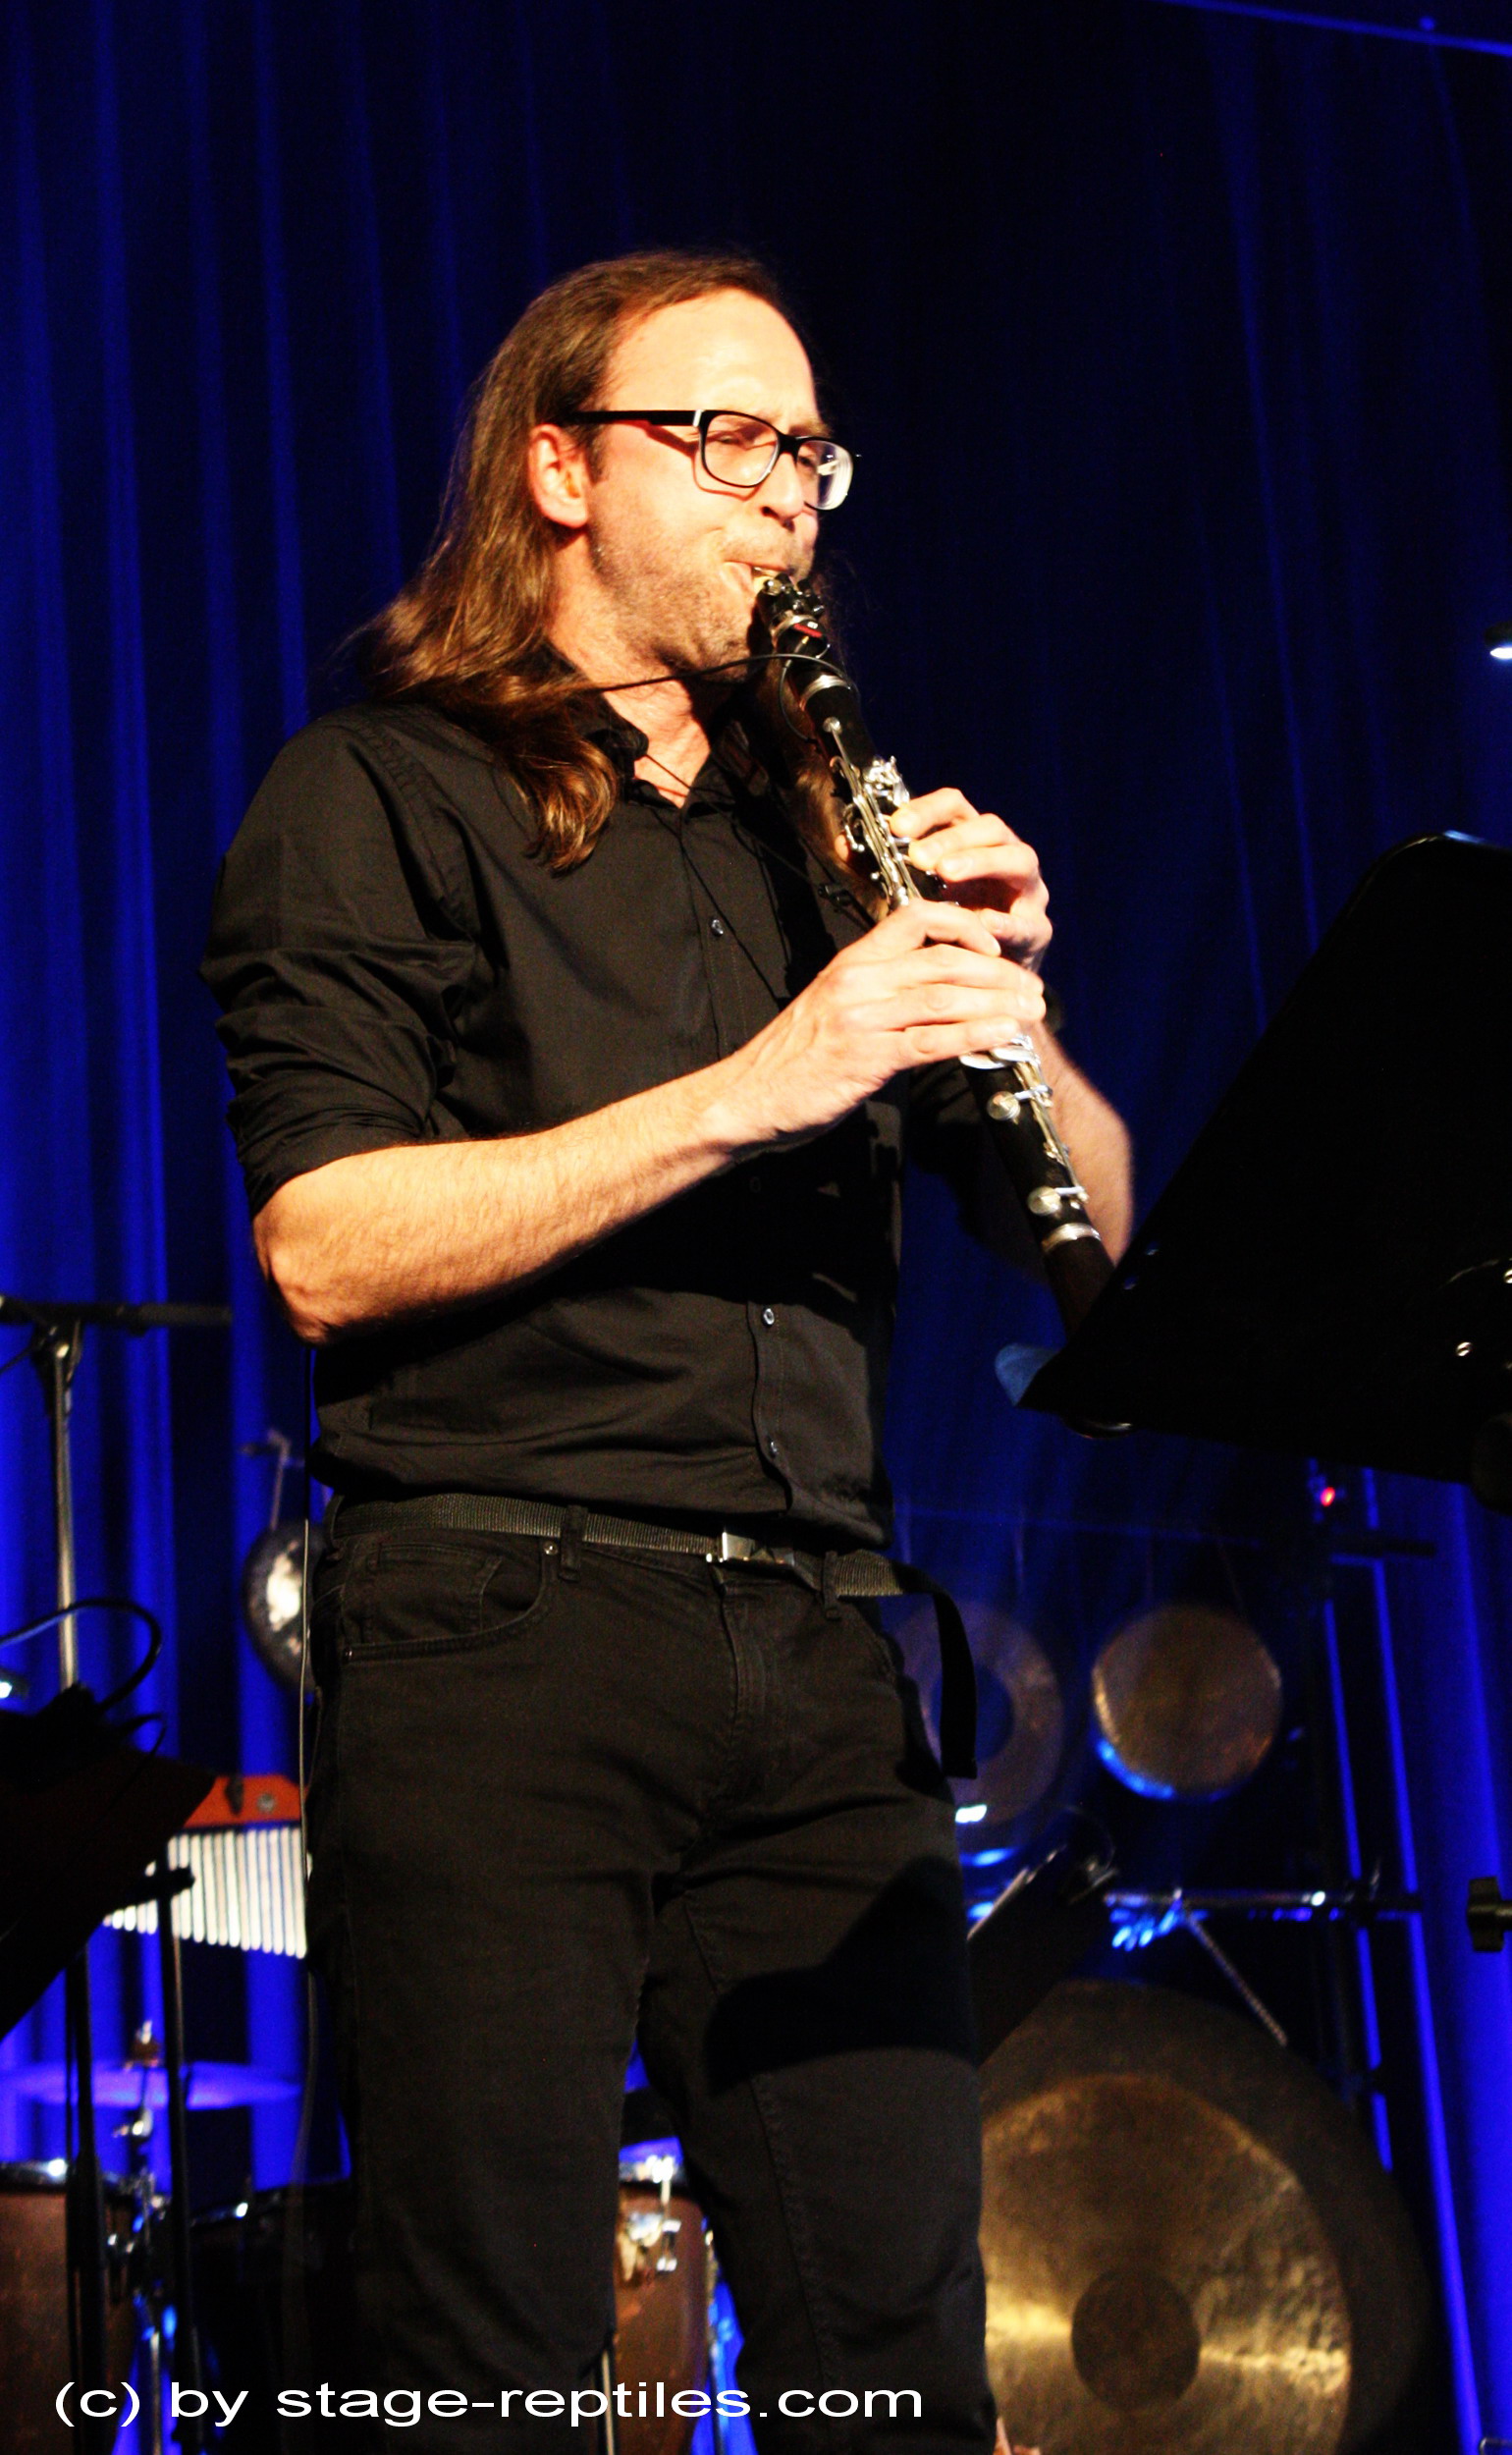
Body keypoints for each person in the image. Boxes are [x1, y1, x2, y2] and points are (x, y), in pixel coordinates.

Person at [203, 248, 1131, 2452]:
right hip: (503, 1631)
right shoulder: (381, 789)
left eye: (808, 450)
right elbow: (323, 1242)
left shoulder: (826, 847)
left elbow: (1099, 1245)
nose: (782, 491)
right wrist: (770, 1079)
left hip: (819, 1646)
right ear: (558, 470)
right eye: (722, 439)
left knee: (890, 2359)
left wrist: (1005, 994)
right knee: (485, 2362)